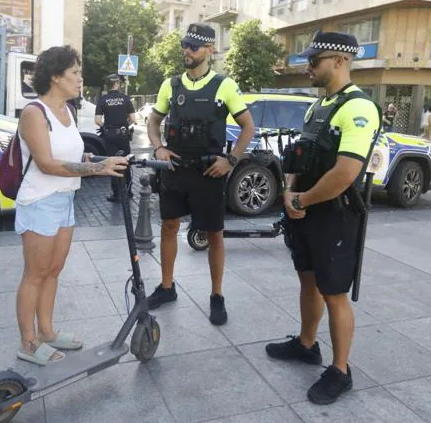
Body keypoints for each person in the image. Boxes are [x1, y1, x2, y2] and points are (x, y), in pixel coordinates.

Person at [264, 32, 381, 405]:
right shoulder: (319, 106)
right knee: (308, 282)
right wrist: (289, 190)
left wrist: (304, 199)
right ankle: (306, 343)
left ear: (341, 61)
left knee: (334, 294)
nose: (309, 67)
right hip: (307, 210)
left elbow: (346, 172)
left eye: (315, 61)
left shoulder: (359, 108)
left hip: (335, 215)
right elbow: (299, 157)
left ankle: (341, 370)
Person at [14, 45, 128, 365]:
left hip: (65, 199)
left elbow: (72, 156)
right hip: (39, 201)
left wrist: (98, 160)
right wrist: (97, 169)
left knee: (53, 271)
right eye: (75, 73)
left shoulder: (68, 110)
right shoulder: (34, 113)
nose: (80, 78)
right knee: (34, 275)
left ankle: (47, 332)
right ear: (55, 76)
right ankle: (28, 342)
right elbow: (47, 164)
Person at [145, 23, 255, 325]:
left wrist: (231, 160)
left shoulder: (224, 85)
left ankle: (217, 296)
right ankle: (167, 287)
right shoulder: (171, 84)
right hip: (176, 170)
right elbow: (153, 122)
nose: (187, 51)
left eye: (193, 46)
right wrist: (158, 148)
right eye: (185, 45)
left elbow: (248, 128)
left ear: (209, 50)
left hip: (210, 171)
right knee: (169, 226)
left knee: (214, 235)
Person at [95, 74, 137, 201]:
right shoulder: (125, 99)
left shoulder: (103, 99)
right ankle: (128, 192)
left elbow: (97, 121)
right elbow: (133, 119)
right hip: (123, 135)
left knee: (112, 162)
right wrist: (124, 126)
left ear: (108, 85)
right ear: (117, 84)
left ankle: (116, 193)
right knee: (126, 162)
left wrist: (107, 127)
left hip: (109, 135)